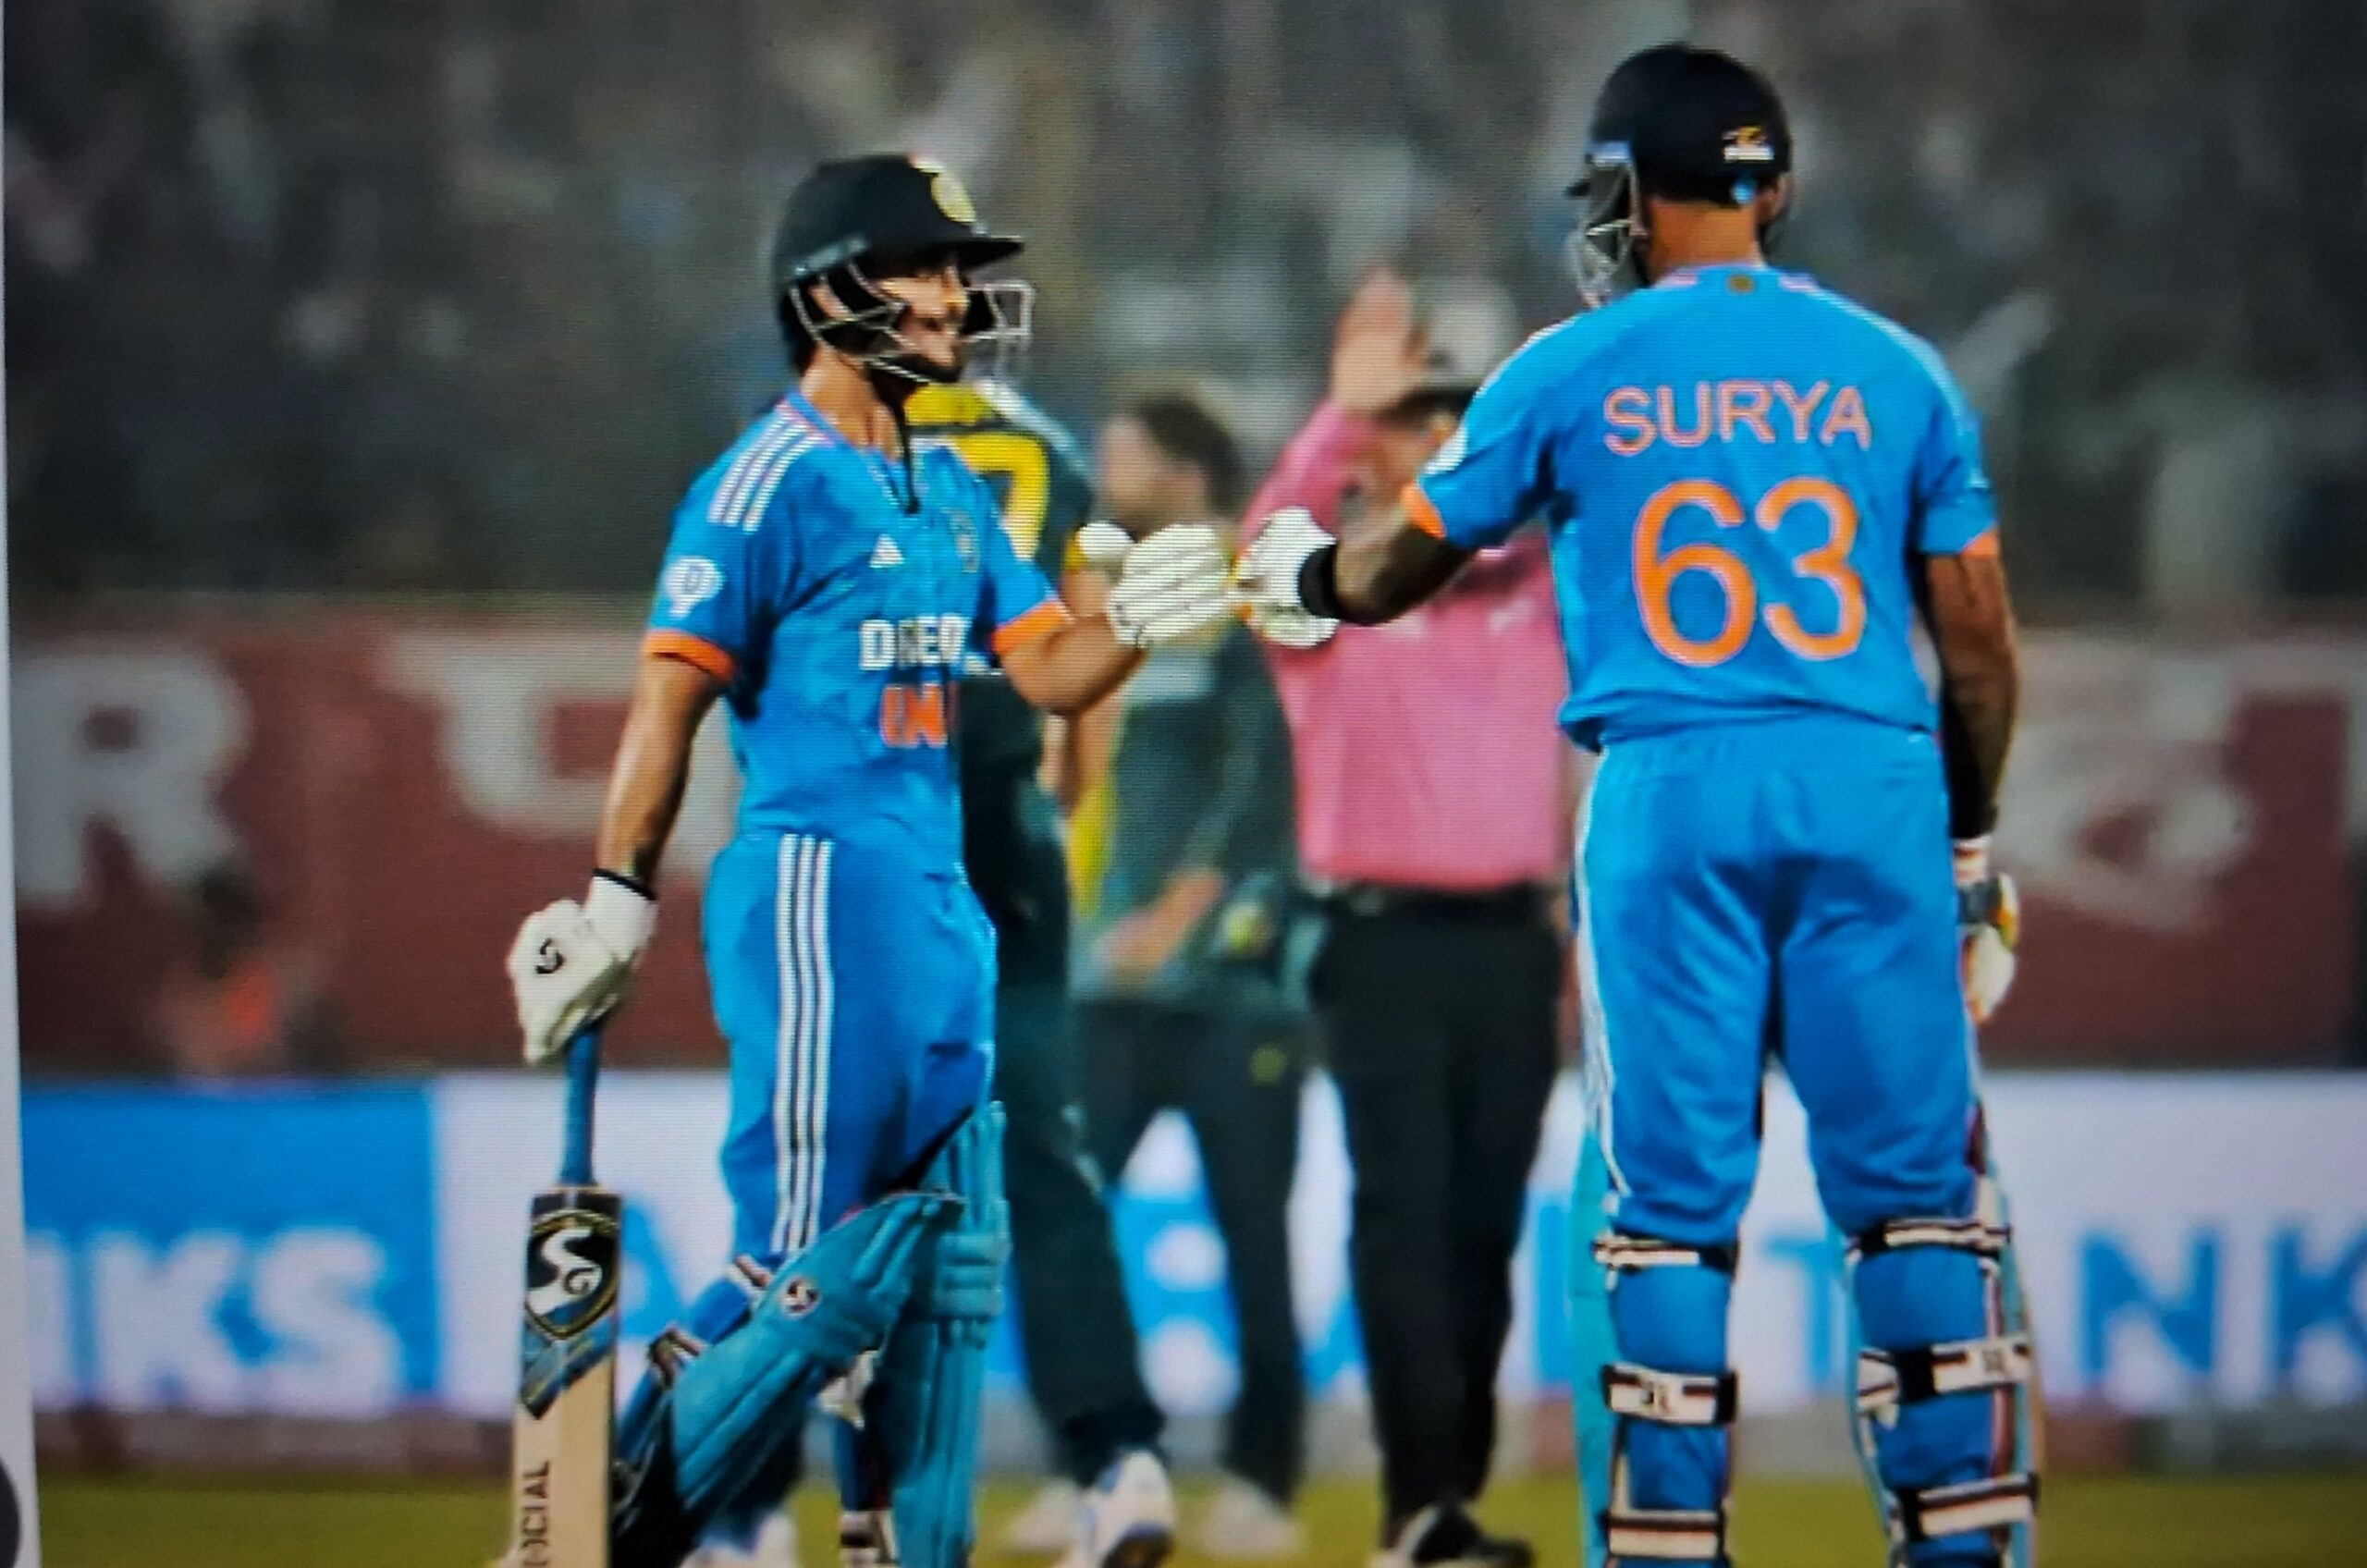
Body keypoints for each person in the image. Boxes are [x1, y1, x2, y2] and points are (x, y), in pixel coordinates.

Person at [1234, 44, 2036, 1568]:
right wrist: (1970, 846)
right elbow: (1981, 649)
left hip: (1669, 789)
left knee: (1668, 1212)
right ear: (1773, 190)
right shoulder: (1898, 370)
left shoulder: (1568, 366)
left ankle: (1666, 1544)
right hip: (1873, 784)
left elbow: (1402, 567)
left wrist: (1307, 577)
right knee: (1919, 1204)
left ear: (1625, 192)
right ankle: (1961, 1542)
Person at [502, 153, 1233, 1568]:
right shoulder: (761, 484)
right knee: (806, 1268)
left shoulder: (948, 486)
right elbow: (668, 702)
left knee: (946, 1271)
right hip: (817, 895)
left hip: (943, 903)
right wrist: (613, 906)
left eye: (961, 270)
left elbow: (1051, 673)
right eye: (928, 269)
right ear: (831, 292)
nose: (958, 297)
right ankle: (590, 1534)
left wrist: (1140, 617)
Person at [1240, 273, 1568, 1568]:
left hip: (1514, 946)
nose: (1433, 437)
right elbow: (1263, 554)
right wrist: (1336, 414)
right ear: (1372, 449)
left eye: (1452, 421)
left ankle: (1445, 1503)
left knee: (1483, 1227)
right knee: (1407, 1216)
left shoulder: (1536, 585)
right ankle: (1418, 1508)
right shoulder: (1328, 597)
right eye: (1410, 420)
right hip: (1378, 944)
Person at [902, 374, 1180, 1568]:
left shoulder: (809, 442)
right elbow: (1079, 663)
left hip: (874, 820)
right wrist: (1061, 800)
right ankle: (1117, 1457)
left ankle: (753, 1500)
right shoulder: (1044, 449)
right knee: (1046, 1168)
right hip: (1009, 830)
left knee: (825, 1169)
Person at [1073, 395, 1309, 1561]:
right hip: (1101, 986)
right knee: (1067, 1226)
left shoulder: (1248, 592)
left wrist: (1178, 915)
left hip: (1231, 989)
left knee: (1254, 1238)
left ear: (1185, 473)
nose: (1101, 467)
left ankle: (1262, 1482)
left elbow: (1265, 776)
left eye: (1122, 452)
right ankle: (1107, 1467)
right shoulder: (1106, 596)